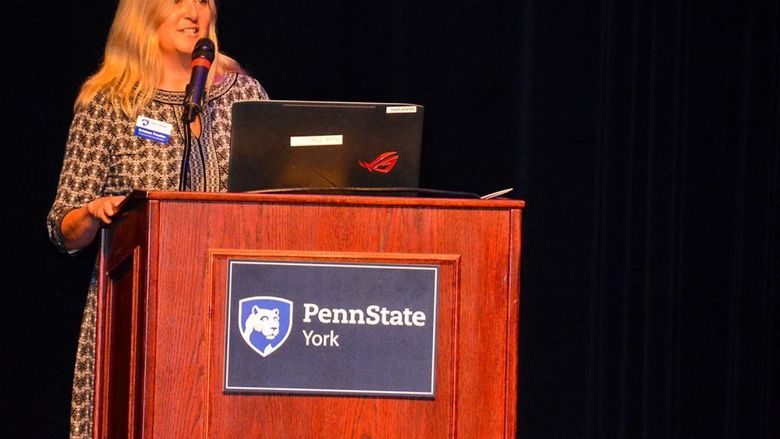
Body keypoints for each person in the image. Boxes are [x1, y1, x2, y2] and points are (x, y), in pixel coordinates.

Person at [46, 0, 268, 436]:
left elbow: (274, 200)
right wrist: (92, 212)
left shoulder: (244, 95)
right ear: (142, 15)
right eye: (176, 2)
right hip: (142, 309)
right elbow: (62, 228)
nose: (192, 13)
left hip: (235, 310)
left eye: (202, 2)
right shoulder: (111, 104)